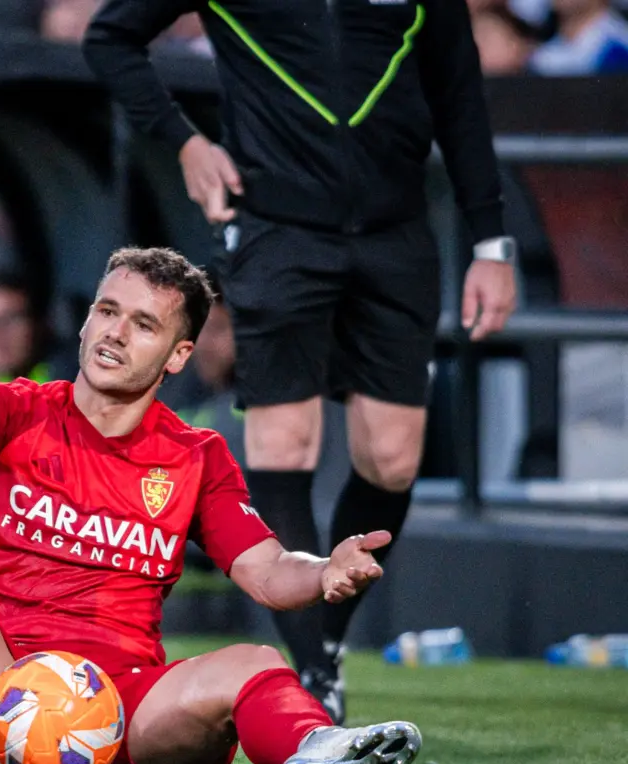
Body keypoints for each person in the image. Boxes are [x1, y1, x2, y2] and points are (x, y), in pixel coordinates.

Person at [83, 0, 520, 722]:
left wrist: (491, 243)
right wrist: (185, 141)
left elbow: (459, 93)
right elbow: (110, 36)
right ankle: (314, 673)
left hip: (396, 230)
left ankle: (327, 640)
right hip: (275, 228)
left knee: (392, 461)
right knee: (285, 442)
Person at [0, 224, 421, 764]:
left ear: (178, 355)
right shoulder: (19, 409)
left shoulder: (196, 456)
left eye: (143, 324)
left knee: (256, 662)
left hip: (120, 709)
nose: (115, 333)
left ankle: (315, 744)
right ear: (86, 321)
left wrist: (324, 570)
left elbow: (268, 571)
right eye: (107, 311)